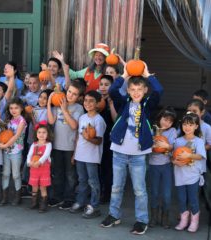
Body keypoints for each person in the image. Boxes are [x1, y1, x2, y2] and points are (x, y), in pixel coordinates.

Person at [100, 64, 163, 235]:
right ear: (127, 90)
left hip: (138, 155)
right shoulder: (123, 103)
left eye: (139, 89)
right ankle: (114, 215)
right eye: (133, 89)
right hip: (119, 152)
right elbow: (113, 91)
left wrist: (148, 74)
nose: (136, 92)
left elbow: (159, 91)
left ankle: (142, 220)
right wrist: (125, 74)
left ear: (144, 90)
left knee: (139, 190)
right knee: (116, 186)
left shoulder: (148, 105)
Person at [47, 80, 85, 209]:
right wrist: (50, 102)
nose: (70, 95)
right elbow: (51, 121)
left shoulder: (78, 108)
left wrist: (64, 110)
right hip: (57, 145)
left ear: (79, 97)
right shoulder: (58, 104)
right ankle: (57, 197)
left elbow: (74, 126)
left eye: (74, 94)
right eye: (69, 92)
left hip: (70, 147)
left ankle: (69, 198)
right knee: (57, 173)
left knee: (70, 175)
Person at [69, 90, 106, 218]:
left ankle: (94, 206)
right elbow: (78, 138)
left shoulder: (99, 120)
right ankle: (81, 202)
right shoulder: (82, 117)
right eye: (86, 100)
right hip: (80, 155)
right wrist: (74, 154)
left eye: (91, 101)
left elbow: (99, 140)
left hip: (91, 157)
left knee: (93, 181)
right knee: (82, 180)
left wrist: (88, 138)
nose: (88, 103)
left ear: (97, 104)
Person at [173, 112, 206, 232]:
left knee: (193, 199)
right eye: (185, 124)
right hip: (179, 175)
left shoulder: (199, 141)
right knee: (181, 199)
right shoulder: (177, 141)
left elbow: (201, 156)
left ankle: (194, 221)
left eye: (191, 125)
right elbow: (173, 156)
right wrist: (175, 162)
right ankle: (183, 220)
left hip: (192, 175)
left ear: (196, 126)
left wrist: (189, 155)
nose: (187, 127)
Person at [149, 106, 177, 228]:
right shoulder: (152, 130)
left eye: (170, 121)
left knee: (166, 194)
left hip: (166, 166)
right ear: (160, 118)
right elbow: (148, 147)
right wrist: (153, 145)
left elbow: (173, 147)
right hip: (153, 166)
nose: (167, 123)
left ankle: (164, 216)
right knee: (154, 193)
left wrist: (166, 146)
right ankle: (154, 217)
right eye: (165, 119)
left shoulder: (172, 132)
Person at [0, 98, 27, 206]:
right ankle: (5, 197)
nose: (13, 110)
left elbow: (15, 136)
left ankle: (17, 196)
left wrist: (4, 145)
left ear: (21, 108)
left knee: (15, 175)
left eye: (16, 108)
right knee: (5, 174)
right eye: (11, 108)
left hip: (16, 152)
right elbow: (5, 133)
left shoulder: (22, 121)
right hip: (7, 151)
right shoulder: (9, 121)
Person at [97, 75, 116, 203]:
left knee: (107, 167)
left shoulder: (114, 100)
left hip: (109, 138)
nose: (103, 87)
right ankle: (97, 191)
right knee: (96, 167)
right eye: (101, 84)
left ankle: (107, 193)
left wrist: (110, 103)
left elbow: (116, 120)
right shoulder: (96, 99)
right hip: (95, 138)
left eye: (106, 84)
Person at [27, 122, 53, 213]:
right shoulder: (34, 144)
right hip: (34, 168)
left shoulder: (48, 144)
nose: (41, 134)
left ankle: (43, 204)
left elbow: (46, 155)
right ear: (36, 134)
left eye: (44, 132)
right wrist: (29, 162)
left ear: (48, 134)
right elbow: (29, 154)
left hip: (44, 169)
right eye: (39, 132)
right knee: (34, 186)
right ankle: (34, 202)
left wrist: (39, 162)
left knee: (43, 187)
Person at [187, 99, 211, 172]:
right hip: (185, 160)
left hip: (199, 163)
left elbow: (210, 144)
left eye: (194, 111)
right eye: (189, 111)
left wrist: (197, 148)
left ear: (202, 112)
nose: (191, 113)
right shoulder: (184, 125)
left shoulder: (207, 127)